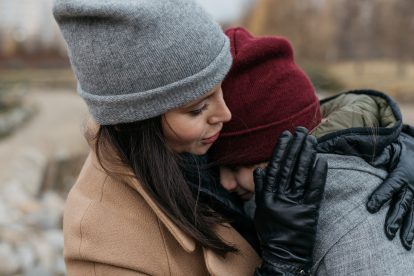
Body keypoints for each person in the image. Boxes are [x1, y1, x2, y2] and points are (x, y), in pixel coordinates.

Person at [54, 1, 328, 275]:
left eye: (222, 88)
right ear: (136, 122)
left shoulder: (188, 150)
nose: (226, 113)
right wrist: (282, 266)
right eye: (197, 108)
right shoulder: (100, 245)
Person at [207, 27, 414, 275]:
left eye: (237, 166)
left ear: (288, 150)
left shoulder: (362, 225)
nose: (225, 182)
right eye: (218, 165)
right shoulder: (262, 193)